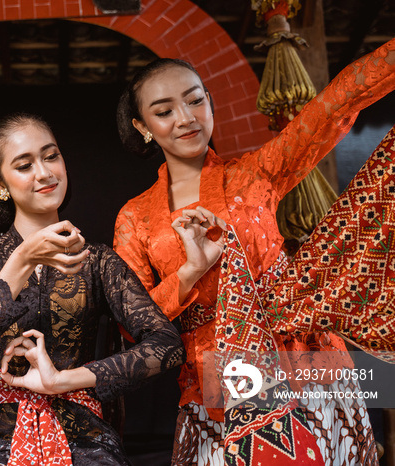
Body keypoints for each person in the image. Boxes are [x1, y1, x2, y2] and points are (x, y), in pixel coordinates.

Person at [113, 38, 395, 464]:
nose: (185, 118)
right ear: (142, 126)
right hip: (219, 376)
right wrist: (189, 272)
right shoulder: (136, 217)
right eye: (164, 111)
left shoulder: (255, 171)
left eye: (194, 101)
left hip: (307, 356)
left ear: (210, 102)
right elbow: (131, 327)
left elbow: (335, 105)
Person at [0, 113, 185, 466]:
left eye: (51, 156)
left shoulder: (98, 261)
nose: (44, 172)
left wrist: (62, 381)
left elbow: (167, 346)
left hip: (86, 435)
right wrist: (22, 259)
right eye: (24, 165)